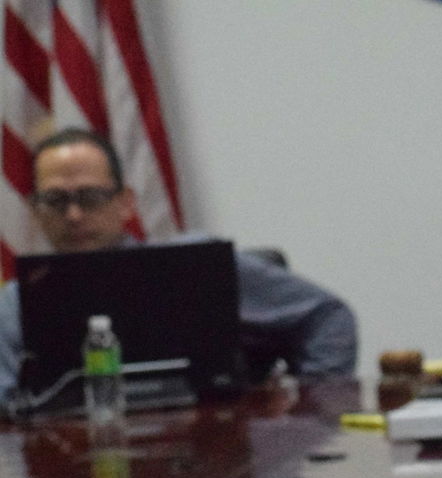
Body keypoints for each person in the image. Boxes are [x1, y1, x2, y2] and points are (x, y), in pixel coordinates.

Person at [0, 128, 356, 405]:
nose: (74, 215)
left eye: (90, 198)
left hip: (219, 462)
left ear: (126, 204)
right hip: (72, 475)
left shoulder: (196, 266)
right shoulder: (16, 305)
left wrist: (307, 411)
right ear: (35, 210)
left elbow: (327, 317)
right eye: (55, 200)